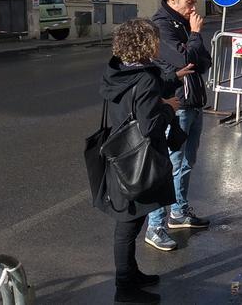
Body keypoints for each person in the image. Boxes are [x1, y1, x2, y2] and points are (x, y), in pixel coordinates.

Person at [100, 19, 181, 305]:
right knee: (128, 226)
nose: (159, 44)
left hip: (119, 155)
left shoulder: (117, 72)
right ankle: (124, 288)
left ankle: (132, 274)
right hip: (138, 161)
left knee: (130, 222)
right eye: (155, 39)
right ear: (146, 43)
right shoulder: (146, 78)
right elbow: (149, 127)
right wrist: (168, 108)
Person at [145, 0, 212, 251]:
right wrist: (195, 35)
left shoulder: (184, 24)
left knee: (186, 163)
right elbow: (185, 61)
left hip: (193, 101)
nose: (193, 8)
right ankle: (155, 225)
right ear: (173, 0)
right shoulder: (161, 25)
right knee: (168, 166)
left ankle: (178, 212)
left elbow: (204, 62)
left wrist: (194, 40)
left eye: (194, 2)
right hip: (176, 104)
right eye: (189, 2)